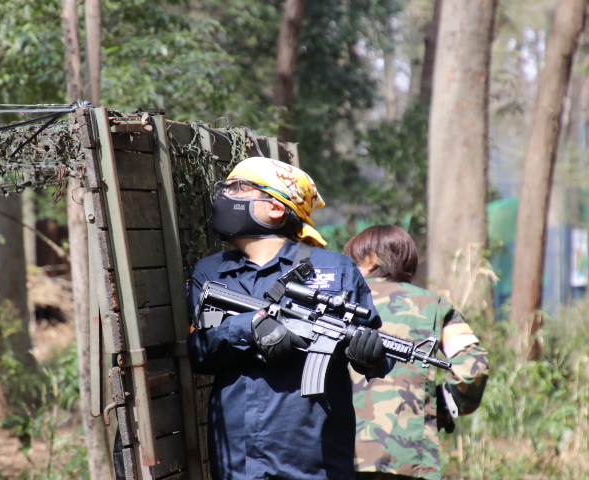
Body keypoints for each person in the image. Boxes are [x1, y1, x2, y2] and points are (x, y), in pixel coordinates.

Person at [187, 157, 393, 480]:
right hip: (240, 463)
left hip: (316, 460)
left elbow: (372, 350)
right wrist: (249, 327)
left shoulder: (335, 269)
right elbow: (199, 351)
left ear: (275, 208)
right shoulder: (212, 273)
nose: (225, 195)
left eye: (239, 187)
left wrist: (372, 355)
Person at [343, 225, 490, 480]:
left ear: (371, 259)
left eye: (354, 261)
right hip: (408, 457)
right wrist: (438, 408)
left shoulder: (338, 300)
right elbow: (473, 368)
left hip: (337, 453)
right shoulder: (432, 305)